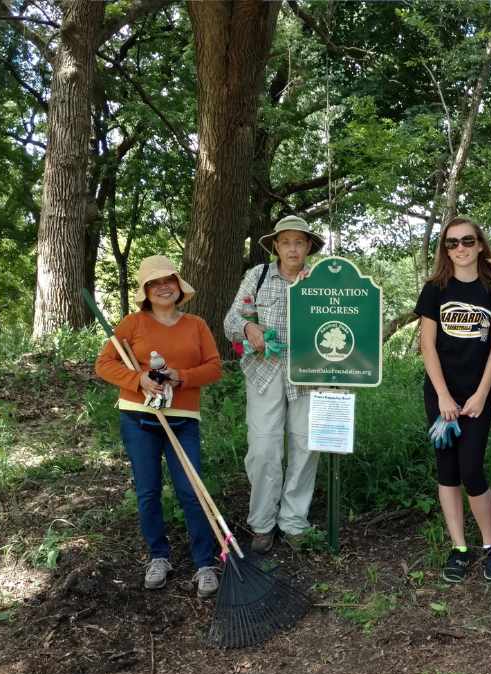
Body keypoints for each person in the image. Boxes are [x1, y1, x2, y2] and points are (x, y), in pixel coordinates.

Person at [95, 255, 224, 596]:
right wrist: (138, 379)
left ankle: (205, 563)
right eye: (154, 283)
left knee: (191, 490)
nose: (163, 287)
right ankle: (158, 556)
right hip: (138, 417)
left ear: (179, 286)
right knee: (148, 491)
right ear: (146, 291)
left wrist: (183, 377)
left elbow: (214, 368)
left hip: (183, 419)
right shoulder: (132, 324)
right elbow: (104, 364)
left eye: (169, 280)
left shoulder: (196, 325)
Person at [415, 217, 491, 583]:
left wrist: (482, 393)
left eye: (467, 240)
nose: (460, 248)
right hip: (441, 396)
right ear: (445, 249)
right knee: (447, 470)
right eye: (451, 243)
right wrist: (442, 396)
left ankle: (489, 546)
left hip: (477, 396)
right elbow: (427, 344)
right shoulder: (435, 288)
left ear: (481, 244)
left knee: (472, 470)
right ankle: (459, 547)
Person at [224, 215, 322, 553]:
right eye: (286, 242)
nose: (293, 248)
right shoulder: (258, 275)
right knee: (264, 447)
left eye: (299, 241)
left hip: (309, 373)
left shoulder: (321, 279)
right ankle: (262, 523)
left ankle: (294, 521)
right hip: (264, 372)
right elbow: (232, 320)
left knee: (306, 444)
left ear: (308, 246)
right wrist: (249, 330)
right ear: (276, 246)